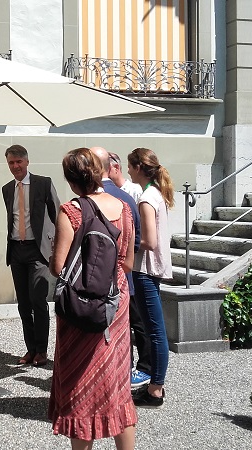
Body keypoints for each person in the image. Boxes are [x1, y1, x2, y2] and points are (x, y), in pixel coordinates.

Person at [49, 148, 136, 449]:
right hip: (115, 300)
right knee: (117, 381)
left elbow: (58, 267)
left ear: (71, 181)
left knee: (80, 382)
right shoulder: (124, 208)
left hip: (80, 304)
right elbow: (128, 263)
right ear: (100, 173)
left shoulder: (71, 211)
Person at [90, 147, 152, 390]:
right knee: (125, 327)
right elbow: (135, 242)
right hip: (124, 274)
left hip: (97, 279)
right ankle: (125, 373)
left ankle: (108, 376)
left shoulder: (88, 200)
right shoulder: (126, 198)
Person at [1, 144, 60, 367]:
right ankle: (31, 348)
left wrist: (57, 248)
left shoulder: (43, 183)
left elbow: (57, 216)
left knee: (38, 300)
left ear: (27, 161)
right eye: (11, 163)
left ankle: (42, 350)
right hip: (17, 249)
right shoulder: (7, 189)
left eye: (19, 162)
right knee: (23, 304)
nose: (15, 166)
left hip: (38, 250)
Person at [126, 147, 174, 408]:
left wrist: (125, 242)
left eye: (130, 166)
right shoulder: (156, 193)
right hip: (151, 270)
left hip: (145, 270)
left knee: (155, 332)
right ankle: (156, 385)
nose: (128, 171)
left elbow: (149, 241)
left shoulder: (146, 198)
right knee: (155, 330)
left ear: (138, 168)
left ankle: (155, 389)